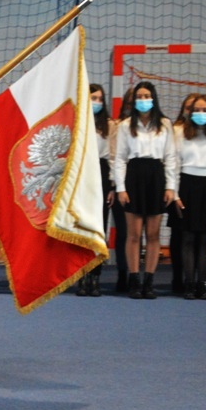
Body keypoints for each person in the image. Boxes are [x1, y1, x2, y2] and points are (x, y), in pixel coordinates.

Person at [112, 81, 177, 299]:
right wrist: (121, 188)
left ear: (153, 98)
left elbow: (171, 157)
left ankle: (149, 281)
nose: (143, 100)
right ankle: (134, 280)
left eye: (146, 96)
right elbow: (120, 159)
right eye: (139, 97)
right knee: (133, 234)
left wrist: (170, 187)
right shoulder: (125, 126)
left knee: (153, 234)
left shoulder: (165, 124)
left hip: (156, 176)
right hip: (133, 175)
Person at [172, 92, 206, 300]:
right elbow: (174, 164)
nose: (201, 113)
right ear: (189, 112)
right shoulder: (180, 133)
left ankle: (202, 284)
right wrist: (175, 193)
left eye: (205, 110)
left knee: (205, 238)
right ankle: (188, 283)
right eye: (197, 110)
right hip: (187, 185)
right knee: (187, 238)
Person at [76, 84, 116, 297]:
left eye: (100, 99)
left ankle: (95, 276)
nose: (97, 102)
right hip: (82, 173)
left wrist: (112, 186)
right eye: (93, 98)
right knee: (82, 228)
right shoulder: (76, 120)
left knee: (99, 229)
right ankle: (82, 275)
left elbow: (113, 157)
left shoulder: (109, 125)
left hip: (101, 173)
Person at [167, 93, 199, 294]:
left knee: (198, 236)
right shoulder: (175, 130)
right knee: (178, 235)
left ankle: (195, 277)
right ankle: (178, 276)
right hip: (178, 188)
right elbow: (171, 160)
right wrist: (173, 191)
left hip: (199, 188)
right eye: (188, 108)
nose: (191, 111)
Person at [110, 87, 136, 292]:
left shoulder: (150, 129)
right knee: (123, 231)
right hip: (120, 183)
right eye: (129, 103)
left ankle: (136, 274)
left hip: (141, 182)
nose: (133, 106)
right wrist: (115, 185)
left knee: (137, 232)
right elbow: (113, 157)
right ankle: (122, 273)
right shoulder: (117, 126)